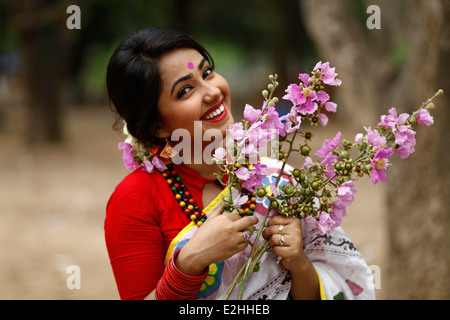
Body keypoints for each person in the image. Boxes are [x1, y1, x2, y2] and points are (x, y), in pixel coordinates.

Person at [104, 27, 375, 300]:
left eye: (207, 72)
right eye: (186, 90)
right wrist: (189, 262)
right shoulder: (136, 199)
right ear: (157, 126)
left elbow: (339, 286)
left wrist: (298, 262)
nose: (212, 91)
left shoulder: (276, 179)